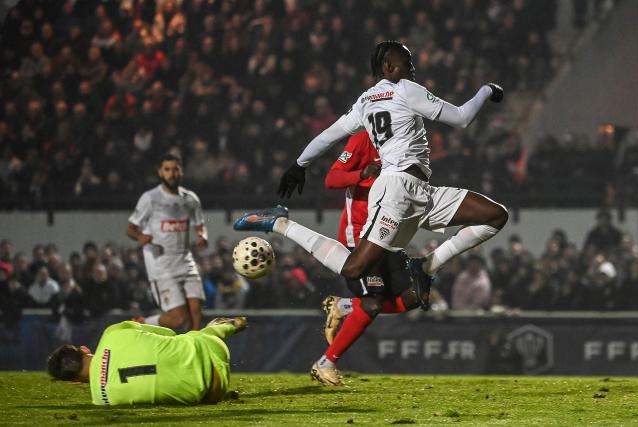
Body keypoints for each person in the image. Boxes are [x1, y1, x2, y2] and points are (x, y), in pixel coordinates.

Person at [234, 40, 507, 355]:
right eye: (407, 62)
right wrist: (486, 90)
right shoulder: (404, 88)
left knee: (495, 215)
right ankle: (279, 224)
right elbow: (461, 118)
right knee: (353, 269)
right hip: (396, 190)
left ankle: (426, 267)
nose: (413, 68)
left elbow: (328, 135)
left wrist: (300, 164)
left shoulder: (364, 102)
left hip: (421, 192)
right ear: (389, 67)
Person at [311, 130, 427, 386]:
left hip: (390, 237)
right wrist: (361, 174)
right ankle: (325, 363)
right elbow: (332, 179)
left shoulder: (409, 143)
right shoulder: (363, 139)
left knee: (415, 297)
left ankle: (344, 306)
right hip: (360, 239)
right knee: (372, 304)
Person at [46, 317, 247, 405]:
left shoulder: (102, 400)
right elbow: (168, 332)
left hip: (212, 390)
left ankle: (217, 389)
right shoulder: (111, 333)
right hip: (213, 349)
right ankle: (220, 328)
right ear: (84, 349)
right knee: (188, 338)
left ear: (75, 381)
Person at [127, 153, 208, 331]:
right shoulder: (150, 198)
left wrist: (202, 236)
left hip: (186, 261)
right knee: (179, 318)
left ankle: (191, 352)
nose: (172, 173)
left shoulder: (190, 199)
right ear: (160, 173)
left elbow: (200, 225)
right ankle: (142, 323)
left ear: (182, 172)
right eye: (167, 169)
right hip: (161, 265)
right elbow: (131, 228)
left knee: (196, 312)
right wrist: (141, 237)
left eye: (176, 169)